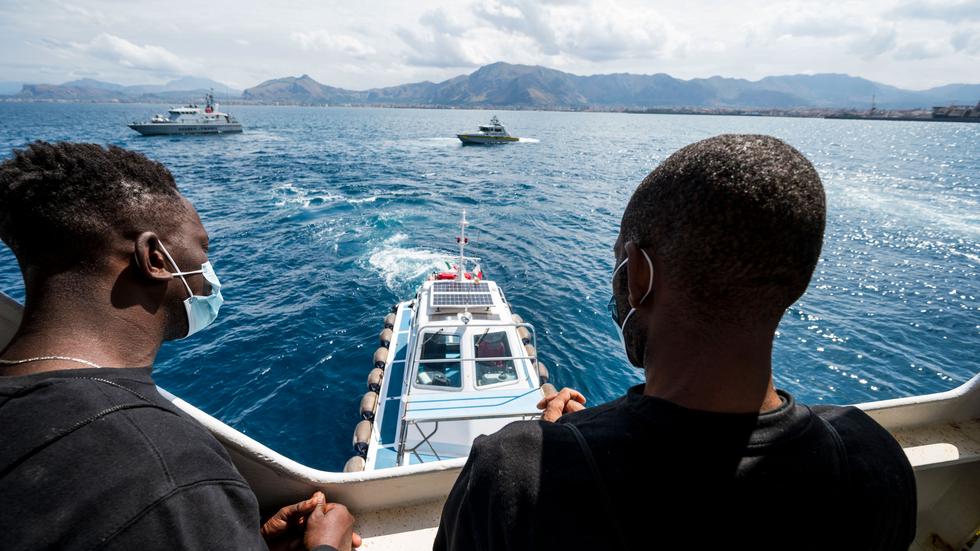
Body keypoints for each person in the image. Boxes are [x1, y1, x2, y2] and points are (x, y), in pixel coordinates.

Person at [435, 135, 917, 550]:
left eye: (618, 265)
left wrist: (549, 447)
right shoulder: (872, 460)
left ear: (639, 274)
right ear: (797, 280)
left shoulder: (513, 477)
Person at [0, 142, 359, 551]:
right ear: (155, 258)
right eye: (202, 250)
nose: (209, 271)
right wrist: (327, 548)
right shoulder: (164, 467)